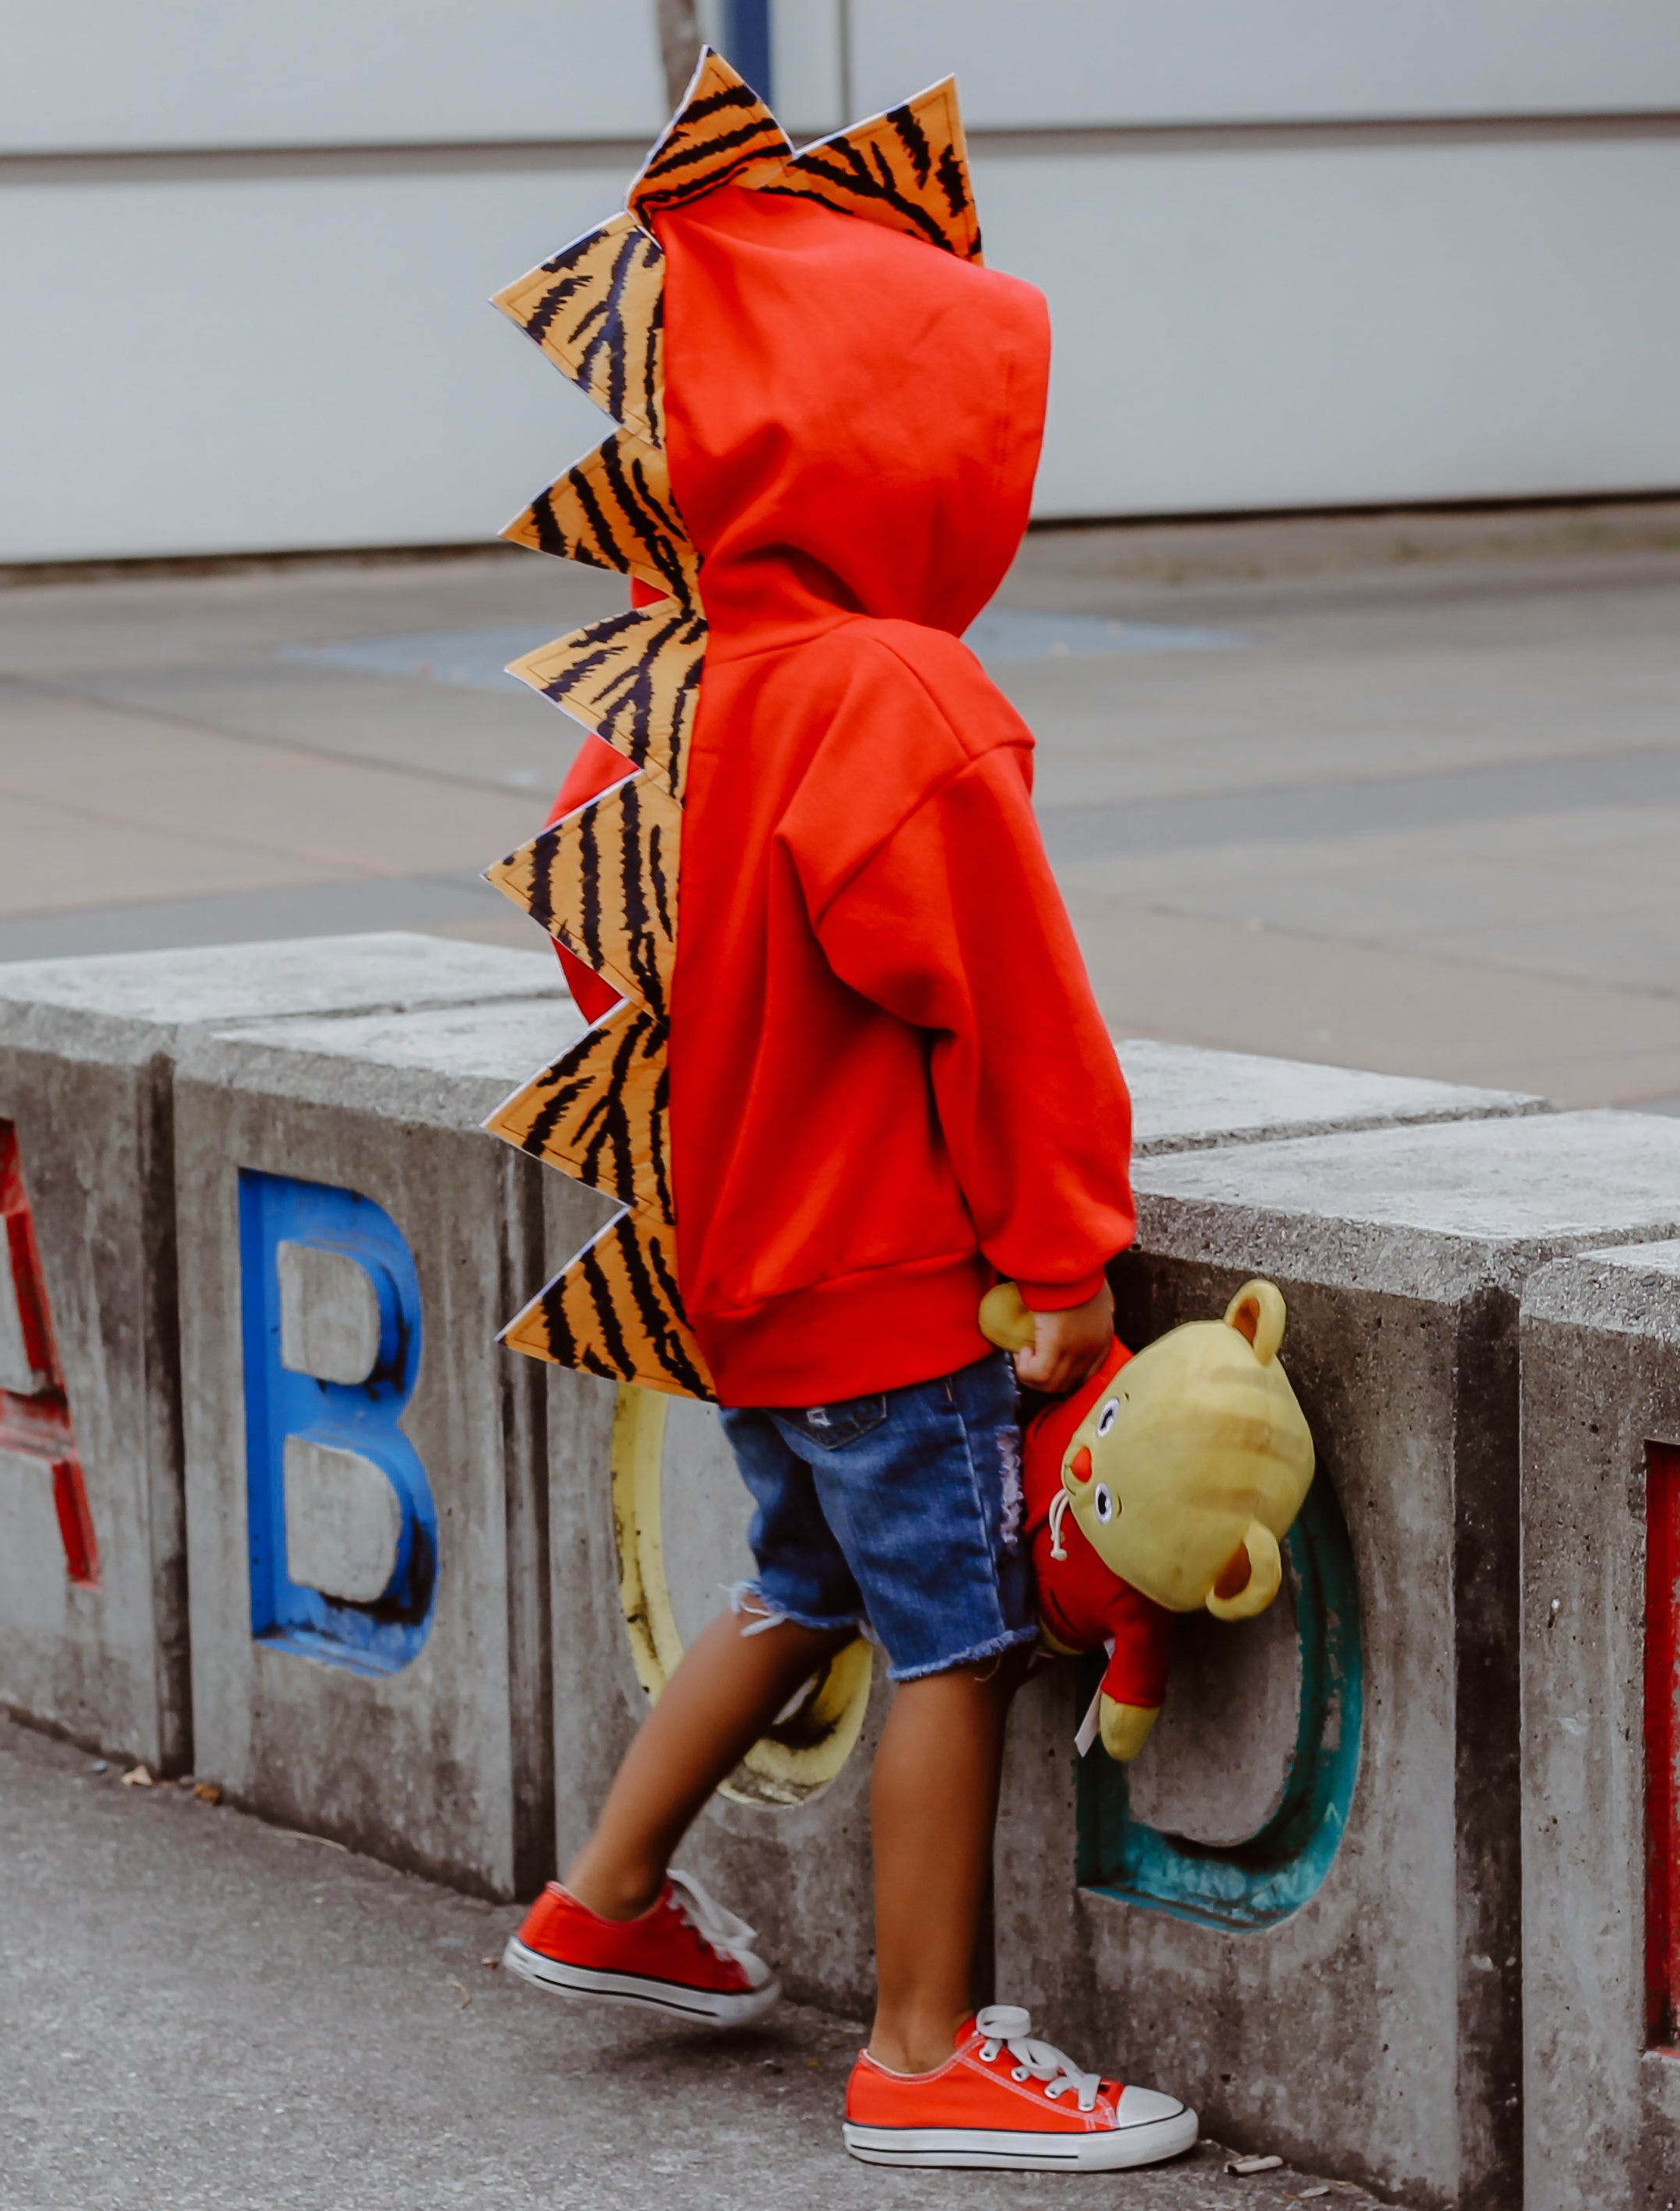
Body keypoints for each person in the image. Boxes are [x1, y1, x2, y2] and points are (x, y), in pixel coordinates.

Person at [503, 171, 1198, 2174]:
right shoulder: (897, 696)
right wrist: (1063, 1254)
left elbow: (602, 951)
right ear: (917, 449)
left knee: (798, 1575)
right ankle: (921, 2046)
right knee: (958, 1636)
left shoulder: (668, 682)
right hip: (898, 1281)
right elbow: (1016, 1013)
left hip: (731, 1272)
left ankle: (608, 1891)